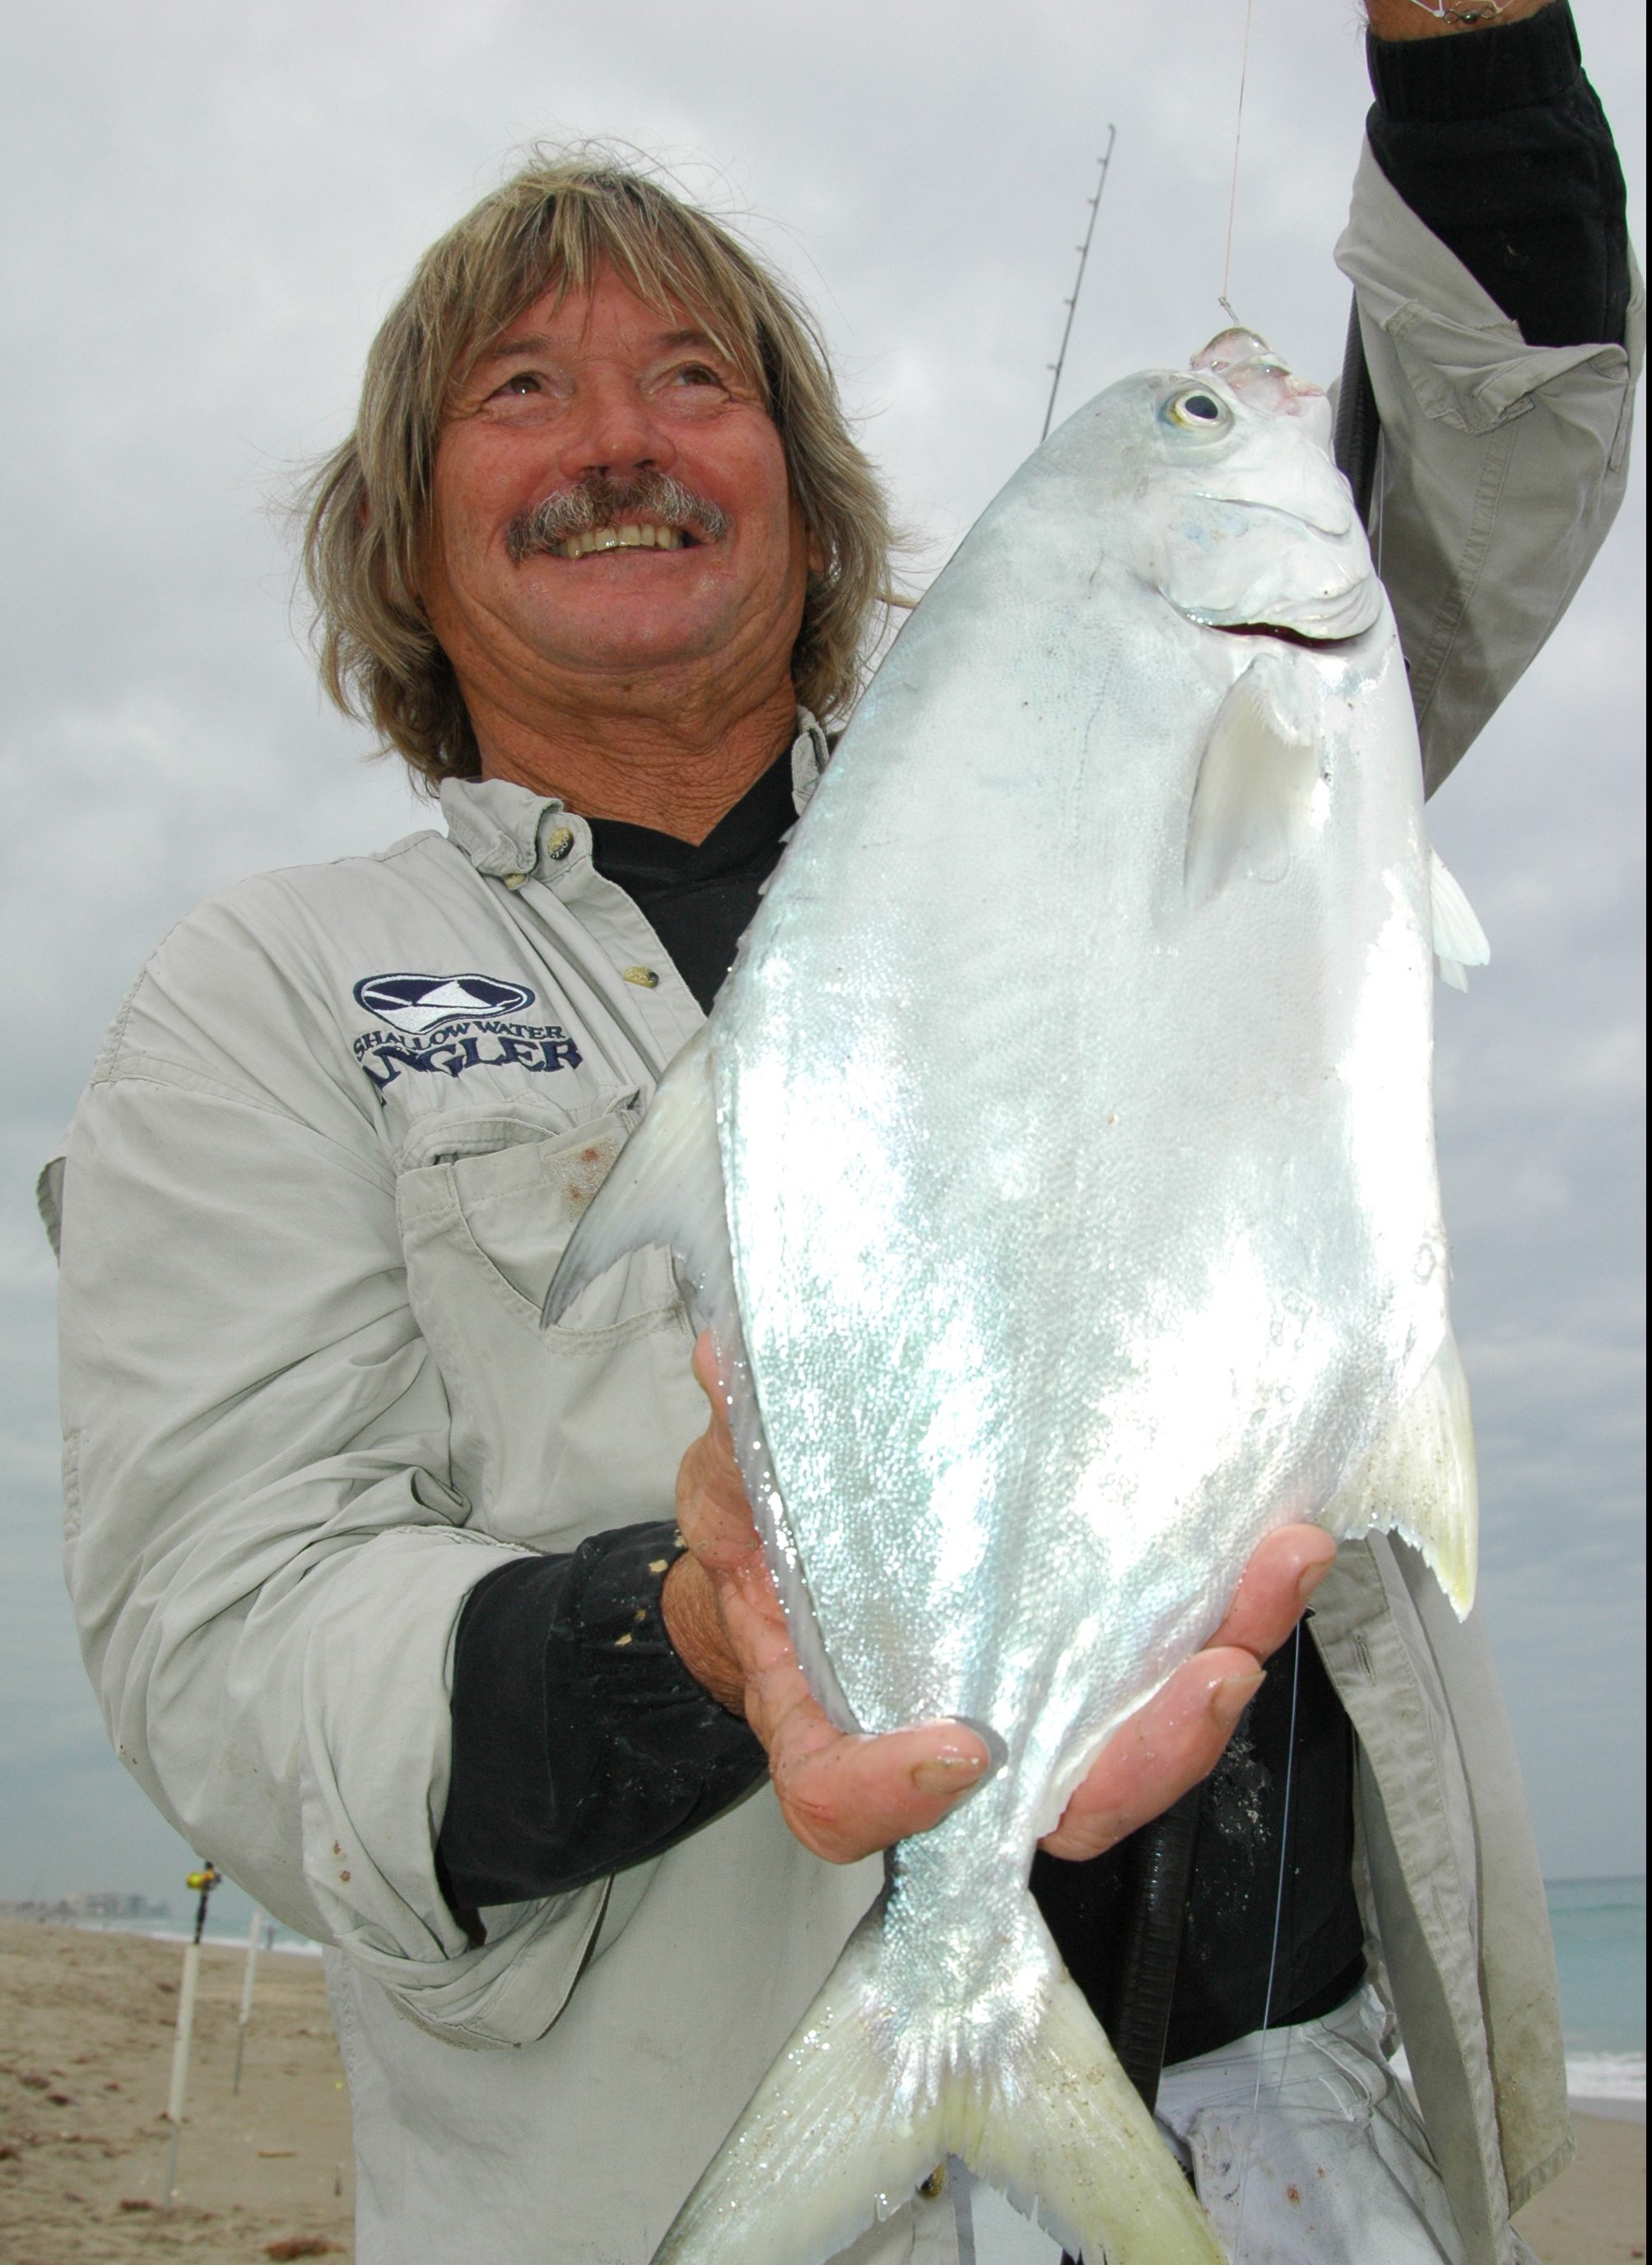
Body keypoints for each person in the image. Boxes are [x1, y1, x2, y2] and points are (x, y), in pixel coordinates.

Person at [42, 2, 1637, 2258]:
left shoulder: (1093, 771)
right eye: (524, 392)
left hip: (1298, 2107)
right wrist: (690, 1639)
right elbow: (230, 1637)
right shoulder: (273, 992)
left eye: (697, 377)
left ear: (809, 486)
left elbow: (1479, 454)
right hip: (669, 2159)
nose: (622, 439)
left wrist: (1467, 57)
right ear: (401, 539)